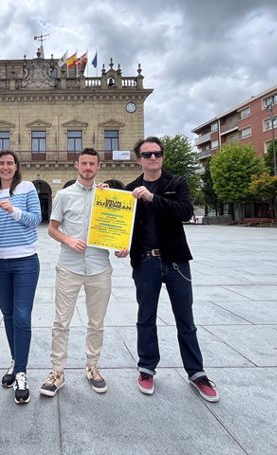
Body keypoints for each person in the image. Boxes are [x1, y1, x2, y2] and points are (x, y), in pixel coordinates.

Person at [124, 136, 219, 403]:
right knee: (146, 317)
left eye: (157, 153)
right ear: (138, 159)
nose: (153, 158)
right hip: (146, 262)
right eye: (147, 154)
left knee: (185, 319)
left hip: (176, 261)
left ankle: (197, 372)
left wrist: (153, 198)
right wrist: (122, 245)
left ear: (162, 156)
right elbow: (126, 226)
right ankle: (146, 368)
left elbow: (185, 211)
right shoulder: (131, 188)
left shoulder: (176, 183)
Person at [40, 148, 128, 397]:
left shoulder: (108, 197)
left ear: (98, 167)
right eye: (84, 163)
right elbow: (52, 228)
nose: (88, 167)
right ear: (76, 165)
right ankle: (57, 372)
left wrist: (122, 247)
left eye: (92, 164)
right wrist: (68, 240)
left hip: (100, 267)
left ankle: (93, 367)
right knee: (61, 322)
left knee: (96, 322)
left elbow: (120, 229)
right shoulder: (64, 195)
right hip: (69, 266)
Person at [0, 150, 42, 404]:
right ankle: (15, 360)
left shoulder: (27, 188)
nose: (5, 167)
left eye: (10, 163)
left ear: (17, 166)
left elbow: (36, 219)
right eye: (1, 163)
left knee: (21, 315)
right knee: (7, 313)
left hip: (25, 261)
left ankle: (21, 372)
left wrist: (13, 211)